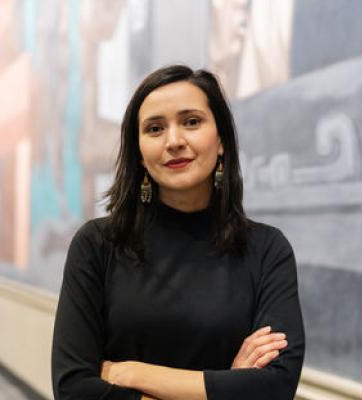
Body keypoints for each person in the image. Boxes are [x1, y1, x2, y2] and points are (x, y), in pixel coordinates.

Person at [51, 64, 305, 400]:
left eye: (191, 122)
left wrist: (132, 372)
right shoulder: (98, 244)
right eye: (155, 128)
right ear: (140, 154)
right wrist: (225, 386)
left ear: (222, 142)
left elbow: (275, 387)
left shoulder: (266, 249)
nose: (174, 141)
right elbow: (73, 389)